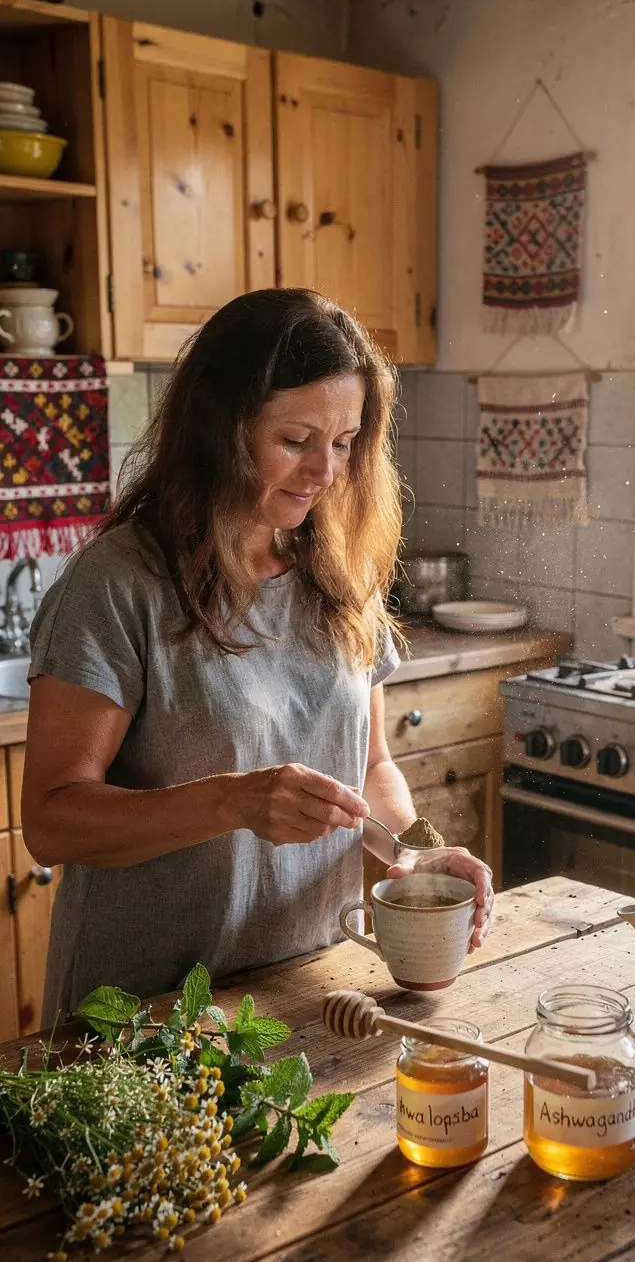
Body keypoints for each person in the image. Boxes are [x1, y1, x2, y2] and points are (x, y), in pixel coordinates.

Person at [22, 290, 493, 1023]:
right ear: (220, 427)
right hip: (147, 1015)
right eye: (296, 440)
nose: (326, 471)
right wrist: (235, 801)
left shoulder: (338, 572)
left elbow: (368, 766)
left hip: (311, 991)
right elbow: (51, 821)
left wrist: (412, 854)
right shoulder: (119, 583)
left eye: (344, 443)